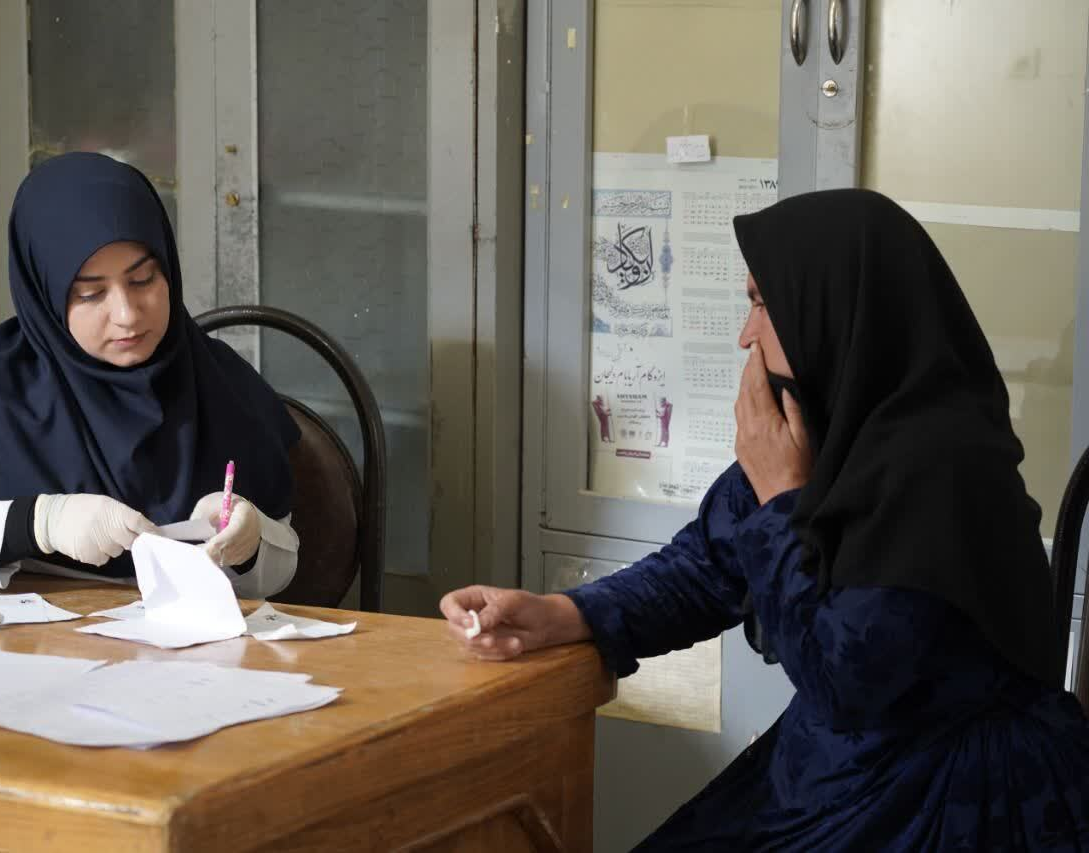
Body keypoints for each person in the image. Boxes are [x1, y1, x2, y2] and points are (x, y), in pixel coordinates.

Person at [441, 189, 1089, 850]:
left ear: (834, 309)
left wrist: (784, 491)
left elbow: (849, 682)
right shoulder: (830, 429)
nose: (746, 334)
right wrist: (567, 613)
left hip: (959, 801)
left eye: (760, 303)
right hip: (846, 772)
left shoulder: (945, 470)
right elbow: (707, 565)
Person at [0, 152, 301, 599]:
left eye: (143, 280)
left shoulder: (221, 383)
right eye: (90, 294)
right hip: (33, 658)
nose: (126, 314)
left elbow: (281, 575)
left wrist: (250, 542)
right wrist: (39, 522)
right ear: (43, 293)